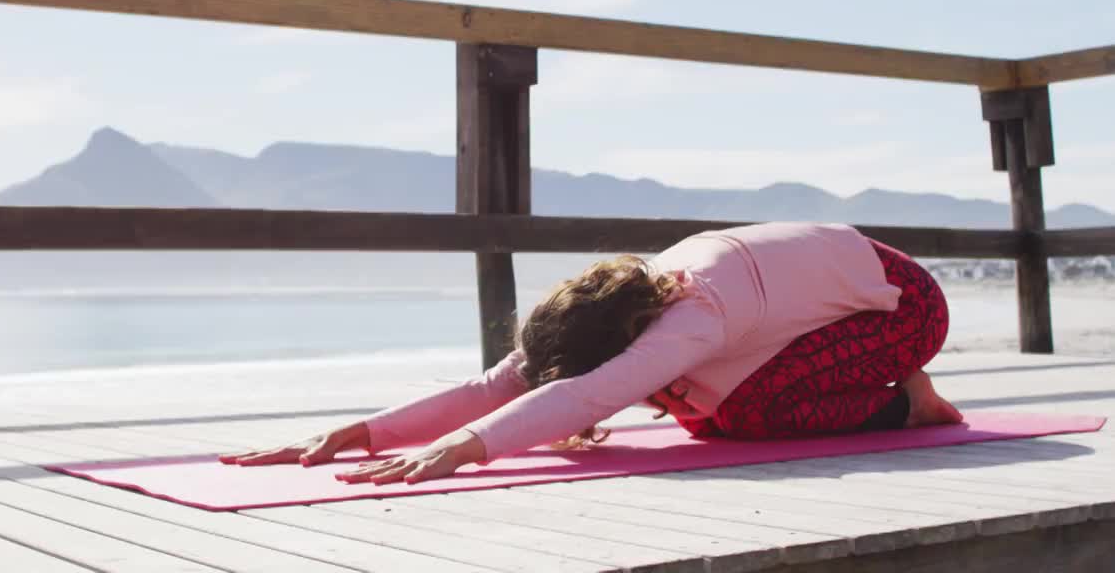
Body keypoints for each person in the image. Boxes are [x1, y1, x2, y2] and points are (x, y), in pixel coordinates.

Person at [220, 221, 963, 485]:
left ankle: (907, 401)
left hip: (903, 307)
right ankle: (888, 394)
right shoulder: (622, 305)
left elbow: (582, 397)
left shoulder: (691, 317)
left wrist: (463, 450)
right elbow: (499, 386)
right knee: (705, 406)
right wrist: (358, 433)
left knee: (738, 416)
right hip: (831, 297)